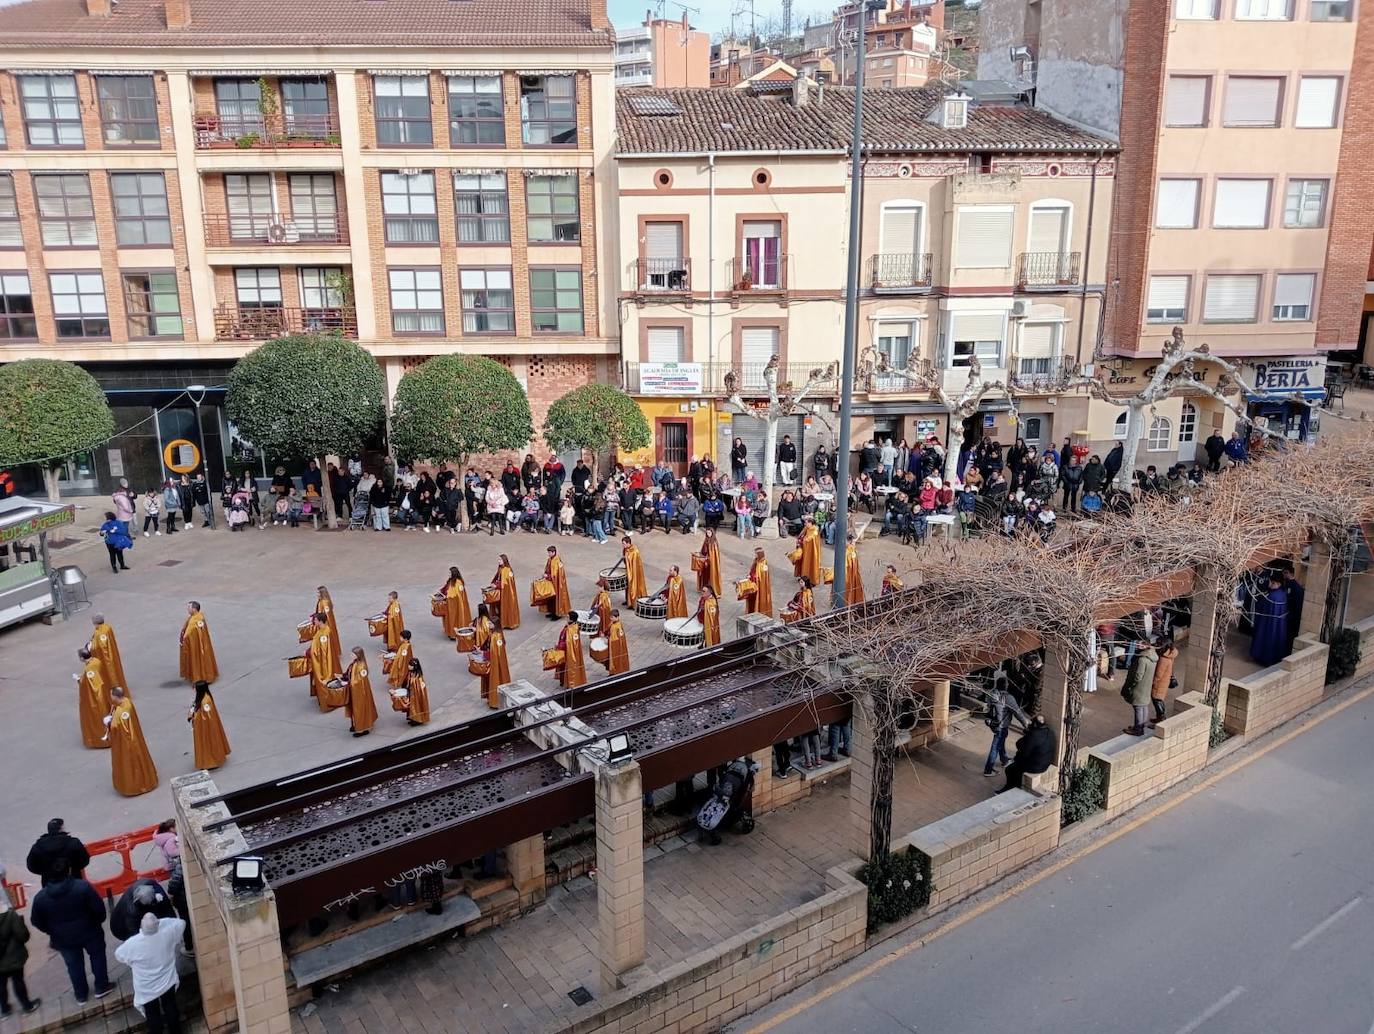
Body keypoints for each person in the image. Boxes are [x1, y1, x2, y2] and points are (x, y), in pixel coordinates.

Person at [30, 858, 113, 1004]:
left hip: (63, 938)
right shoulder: (82, 887)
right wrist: (97, 921)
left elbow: (36, 921)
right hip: (90, 931)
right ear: (68, 870)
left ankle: (81, 994)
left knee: (74, 965)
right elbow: (98, 908)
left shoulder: (40, 898)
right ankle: (101, 986)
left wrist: (51, 931)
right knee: (98, 957)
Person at [115, 913, 186, 1034]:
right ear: (158, 924)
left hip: (147, 989)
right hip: (167, 983)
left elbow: (119, 954)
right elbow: (181, 922)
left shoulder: (133, 943)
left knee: (152, 1015)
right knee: (171, 1008)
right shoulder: (167, 933)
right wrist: (160, 922)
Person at [0, 876, 40, 1017]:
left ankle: (4, 1009)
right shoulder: (10, 915)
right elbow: (23, 935)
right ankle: (27, 1006)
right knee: (18, 981)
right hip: (14, 956)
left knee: (1, 984)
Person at [106, 687, 158, 795]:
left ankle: (136, 785)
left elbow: (118, 728)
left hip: (126, 743)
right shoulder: (127, 702)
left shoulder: (121, 712)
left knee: (130, 763)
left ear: (116, 696)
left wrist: (109, 723)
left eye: (111, 695)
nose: (110, 697)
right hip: (135, 738)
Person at [1001, 715, 1057, 792]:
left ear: (1034, 724)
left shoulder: (1034, 735)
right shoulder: (1049, 732)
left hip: (1036, 767)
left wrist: (1028, 734)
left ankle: (1010, 788)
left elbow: (1022, 749)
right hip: (1045, 763)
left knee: (1010, 769)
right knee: (1019, 763)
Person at [27, 819, 90, 888]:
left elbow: (31, 866)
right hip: (73, 880)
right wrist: (74, 868)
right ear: (61, 829)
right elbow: (84, 860)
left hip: (49, 884)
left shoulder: (37, 847)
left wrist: (45, 872)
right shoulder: (73, 843)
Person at [983, 683, 1025, 776]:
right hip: (1001, 726)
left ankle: (1004, 760)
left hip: (992, 723)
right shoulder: (1008, 698)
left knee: (1000, 742)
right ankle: (988, 770)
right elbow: (1017, 712)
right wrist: (1025, 725)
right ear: (1006, 686)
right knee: (995, 747)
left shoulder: (991, 694)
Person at [76, 646, 112, 750]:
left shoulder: (89, 670)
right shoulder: (96, 661)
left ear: (82, 658)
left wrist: (80, 680)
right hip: (104, 694)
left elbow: (94, 686)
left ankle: (101, 741)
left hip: (96, 699)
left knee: (97, 718)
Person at [188, 683, 230, 770]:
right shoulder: (203, 698)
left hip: (206, 728)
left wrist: (194, 717)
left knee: (208, 744)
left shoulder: (205, 701)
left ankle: (211, 762)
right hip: (204, 726)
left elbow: (205, 716)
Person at [1250, 574, 1290, 666]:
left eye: (1272, 583)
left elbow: (1261, 607)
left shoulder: (1272, 596)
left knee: (1265, 637)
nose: (1270, 585)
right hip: (1278, 623)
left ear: (1278, 584)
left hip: (1267, 622)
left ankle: (1263, 657)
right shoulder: (1283, 594)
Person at [1121, 639, 1158, 736]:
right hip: (1147, 685)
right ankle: (1142, 725)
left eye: (1140, 645)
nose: (1137, 646)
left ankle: (1138, 729)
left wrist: (1131, 685)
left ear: (1145, 646)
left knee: (1138, 707)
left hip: (1139, 687)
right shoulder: (1153, 657)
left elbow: (1138, 676)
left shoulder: (1142, 659)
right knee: (1144, 705)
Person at [178, 602, 218, 687]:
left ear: (194, 609)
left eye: (189, 607)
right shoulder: (200, 616)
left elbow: (187, 634)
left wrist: (183, 640)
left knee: (197, 659)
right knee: (203, 659)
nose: (187, 609)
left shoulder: (194, 620)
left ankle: (200, 677)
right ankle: (207, 675)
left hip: (196, 645)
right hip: (203, 644)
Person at [537, 545, 572, 621]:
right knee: (551, 598)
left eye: (550, 552)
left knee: (556, 598)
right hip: (551, 582)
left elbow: (556, 574)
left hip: (557, 584)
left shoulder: (557, 561)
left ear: (554, 552)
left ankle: (558, 614)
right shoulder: (550, 559)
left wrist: (548, 576)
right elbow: (547, 568)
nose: (548, 554)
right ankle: (552, 612)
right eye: (548, 552)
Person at [554, 614, 588, 689]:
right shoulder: (569, 626)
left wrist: (559, 646)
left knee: (567, 667)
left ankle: (569, 682)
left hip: (569, 653)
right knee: (562, 666)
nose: (566, 618)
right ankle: (563, 681)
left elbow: (569, 643)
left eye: (568, 617)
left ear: (572, 620)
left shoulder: (573, 629)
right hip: (564, 651)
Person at [438, 567, 471, 641]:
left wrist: (447, 596)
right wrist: (441, 592)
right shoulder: (450, 581)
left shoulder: (458, 583)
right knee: (451, 618)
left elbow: (458, 596)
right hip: (450, 604)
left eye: (450, 573)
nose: (449, 574)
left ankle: (454, 634)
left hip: (455, 606)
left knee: (455, 618)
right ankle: (451, 633)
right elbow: (446, 588)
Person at [313, 587, 342, 671]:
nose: (317, 595)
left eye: (318, 593)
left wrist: (324, 625)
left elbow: (328, 616)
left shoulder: (325, 603)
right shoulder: (321, 601)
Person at [1151, 638, 1179, 725]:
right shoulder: (1171, 654)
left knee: (1157, 700)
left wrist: (1153, 683)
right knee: (1159, 699)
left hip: (1160, 683)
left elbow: (1158, 674)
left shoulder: (1163, 659)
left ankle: (1161, 718)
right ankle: (1160, 717)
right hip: (1165, 680)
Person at [491, 555, 521, 629]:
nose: (499, 561)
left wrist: (497, 586)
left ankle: (508, 623)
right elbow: (497, 578)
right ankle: (500, 621)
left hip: (507, 594)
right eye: (498, 560)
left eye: (500, 560)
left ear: (504, 560)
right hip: (501, 592)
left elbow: (507, 584)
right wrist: (493, 583)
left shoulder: (508, 570)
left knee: (507, 606)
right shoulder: (501, 569)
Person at [792, 517, 822, 586]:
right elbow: (802, 535)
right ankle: (803, 576)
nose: (805, 524)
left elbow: (808, 539)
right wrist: (799, 539)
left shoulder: (814, 531)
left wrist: (802, 541)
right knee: (803, 562)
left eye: (807, 522)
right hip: (805, 549)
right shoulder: (807, 528)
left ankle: (812, 580)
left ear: (811, 523)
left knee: (810, 564)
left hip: (811, 552)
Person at [744, 548, 773, 617]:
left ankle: (759, 610)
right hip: (753, 583)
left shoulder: (763, 564)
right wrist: (749, 575)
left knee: (758, 597)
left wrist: (752, 577)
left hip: (759, 585)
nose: (755, 555)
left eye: (756, 554)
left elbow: (761, 576)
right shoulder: (756, 561)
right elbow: (753, 570)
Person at [621, 536, 647, 607]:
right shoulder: (625, 549)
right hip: (628, 569)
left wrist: (626, 557)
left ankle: (634, 602)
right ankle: (628, 600)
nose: (623, 545)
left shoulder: (635, 551)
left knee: (633, 585)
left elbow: (634, 562)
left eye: (624, 543)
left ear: (628, 543)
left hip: (634, 571)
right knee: (627, 586)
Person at [401, 658, 430, 725]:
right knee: (411, 706)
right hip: (410, 693)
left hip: (415, 695)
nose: (409, 666)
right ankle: (412, 718)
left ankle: (417, 720)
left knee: (415, 706)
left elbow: (419, 688)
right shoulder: (410, 673)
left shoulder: (418, 677)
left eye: (411, 666)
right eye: (409, 665)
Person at [697, 527, 723, 597]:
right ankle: (705, 589)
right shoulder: (706, 540)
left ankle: (712, 590)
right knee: (704, 576)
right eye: (707, 533)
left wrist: (708, 558)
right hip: (705, 562)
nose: (708, 534)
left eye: (709, 533)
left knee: (711, 576)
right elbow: (703, 550)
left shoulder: (714, 542)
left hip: (711, 563)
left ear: (712, 533)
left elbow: (714, 555)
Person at [843, 534, 864, 607]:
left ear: (848, 541)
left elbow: (845, 564)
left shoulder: (848, 551)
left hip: (848, 573)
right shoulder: (853, 549)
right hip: (853, 571)